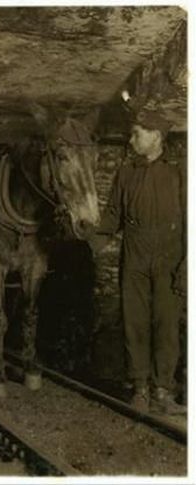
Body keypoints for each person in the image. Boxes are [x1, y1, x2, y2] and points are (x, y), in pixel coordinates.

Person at [90, 108, 186, 415]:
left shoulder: (180, 171)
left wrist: (187, 266)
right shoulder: (126, 172)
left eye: (137, 134)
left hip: (170, 256)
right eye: (132, 134)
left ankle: (164, 391)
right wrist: (90, 240)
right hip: (134, 254)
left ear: (156, 137)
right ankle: (140, 388)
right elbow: (113, 217)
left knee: (166, 324)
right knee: (135, 323)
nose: (131, 140)